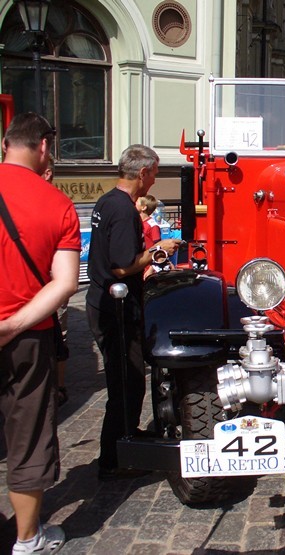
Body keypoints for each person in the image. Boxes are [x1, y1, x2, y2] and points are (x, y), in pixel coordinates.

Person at [0, 113, 80, 554]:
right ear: (45, 147)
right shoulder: (56, 204)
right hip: (28, 335)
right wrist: (12, 324)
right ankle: (27, 540)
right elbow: (65, 282)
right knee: (28, 437)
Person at [86, 145, 181, 480]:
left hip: (103, 303)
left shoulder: (107, 200)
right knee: (125, 383)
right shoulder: (124, 210)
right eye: (154, 173)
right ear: (143, 173)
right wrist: (157, 250)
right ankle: (114, 458)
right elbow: (123, 266)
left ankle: (127, 437)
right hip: (115, 308)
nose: (155, 180)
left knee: (126, 381)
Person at [42, 157, 70, 407]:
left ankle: (58, 385)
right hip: (46, 282)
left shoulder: (53, 202)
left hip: (51, 281)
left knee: (58, 334)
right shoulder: (56, 203)